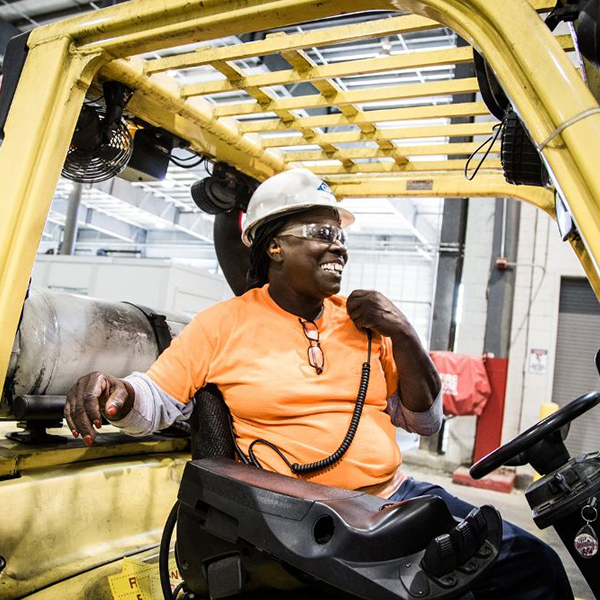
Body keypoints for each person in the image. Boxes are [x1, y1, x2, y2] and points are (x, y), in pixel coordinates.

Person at [65, 168, 572, 599]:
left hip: (398, 496)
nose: (338, 246)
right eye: (320, 231)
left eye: (340, 234)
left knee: (537, 567)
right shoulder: (222, 324)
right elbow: (155, 399)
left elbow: (424, 420)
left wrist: (405, 334)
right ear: (275, 247)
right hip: (311, 521)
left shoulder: (364, 321)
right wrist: (120, 393)